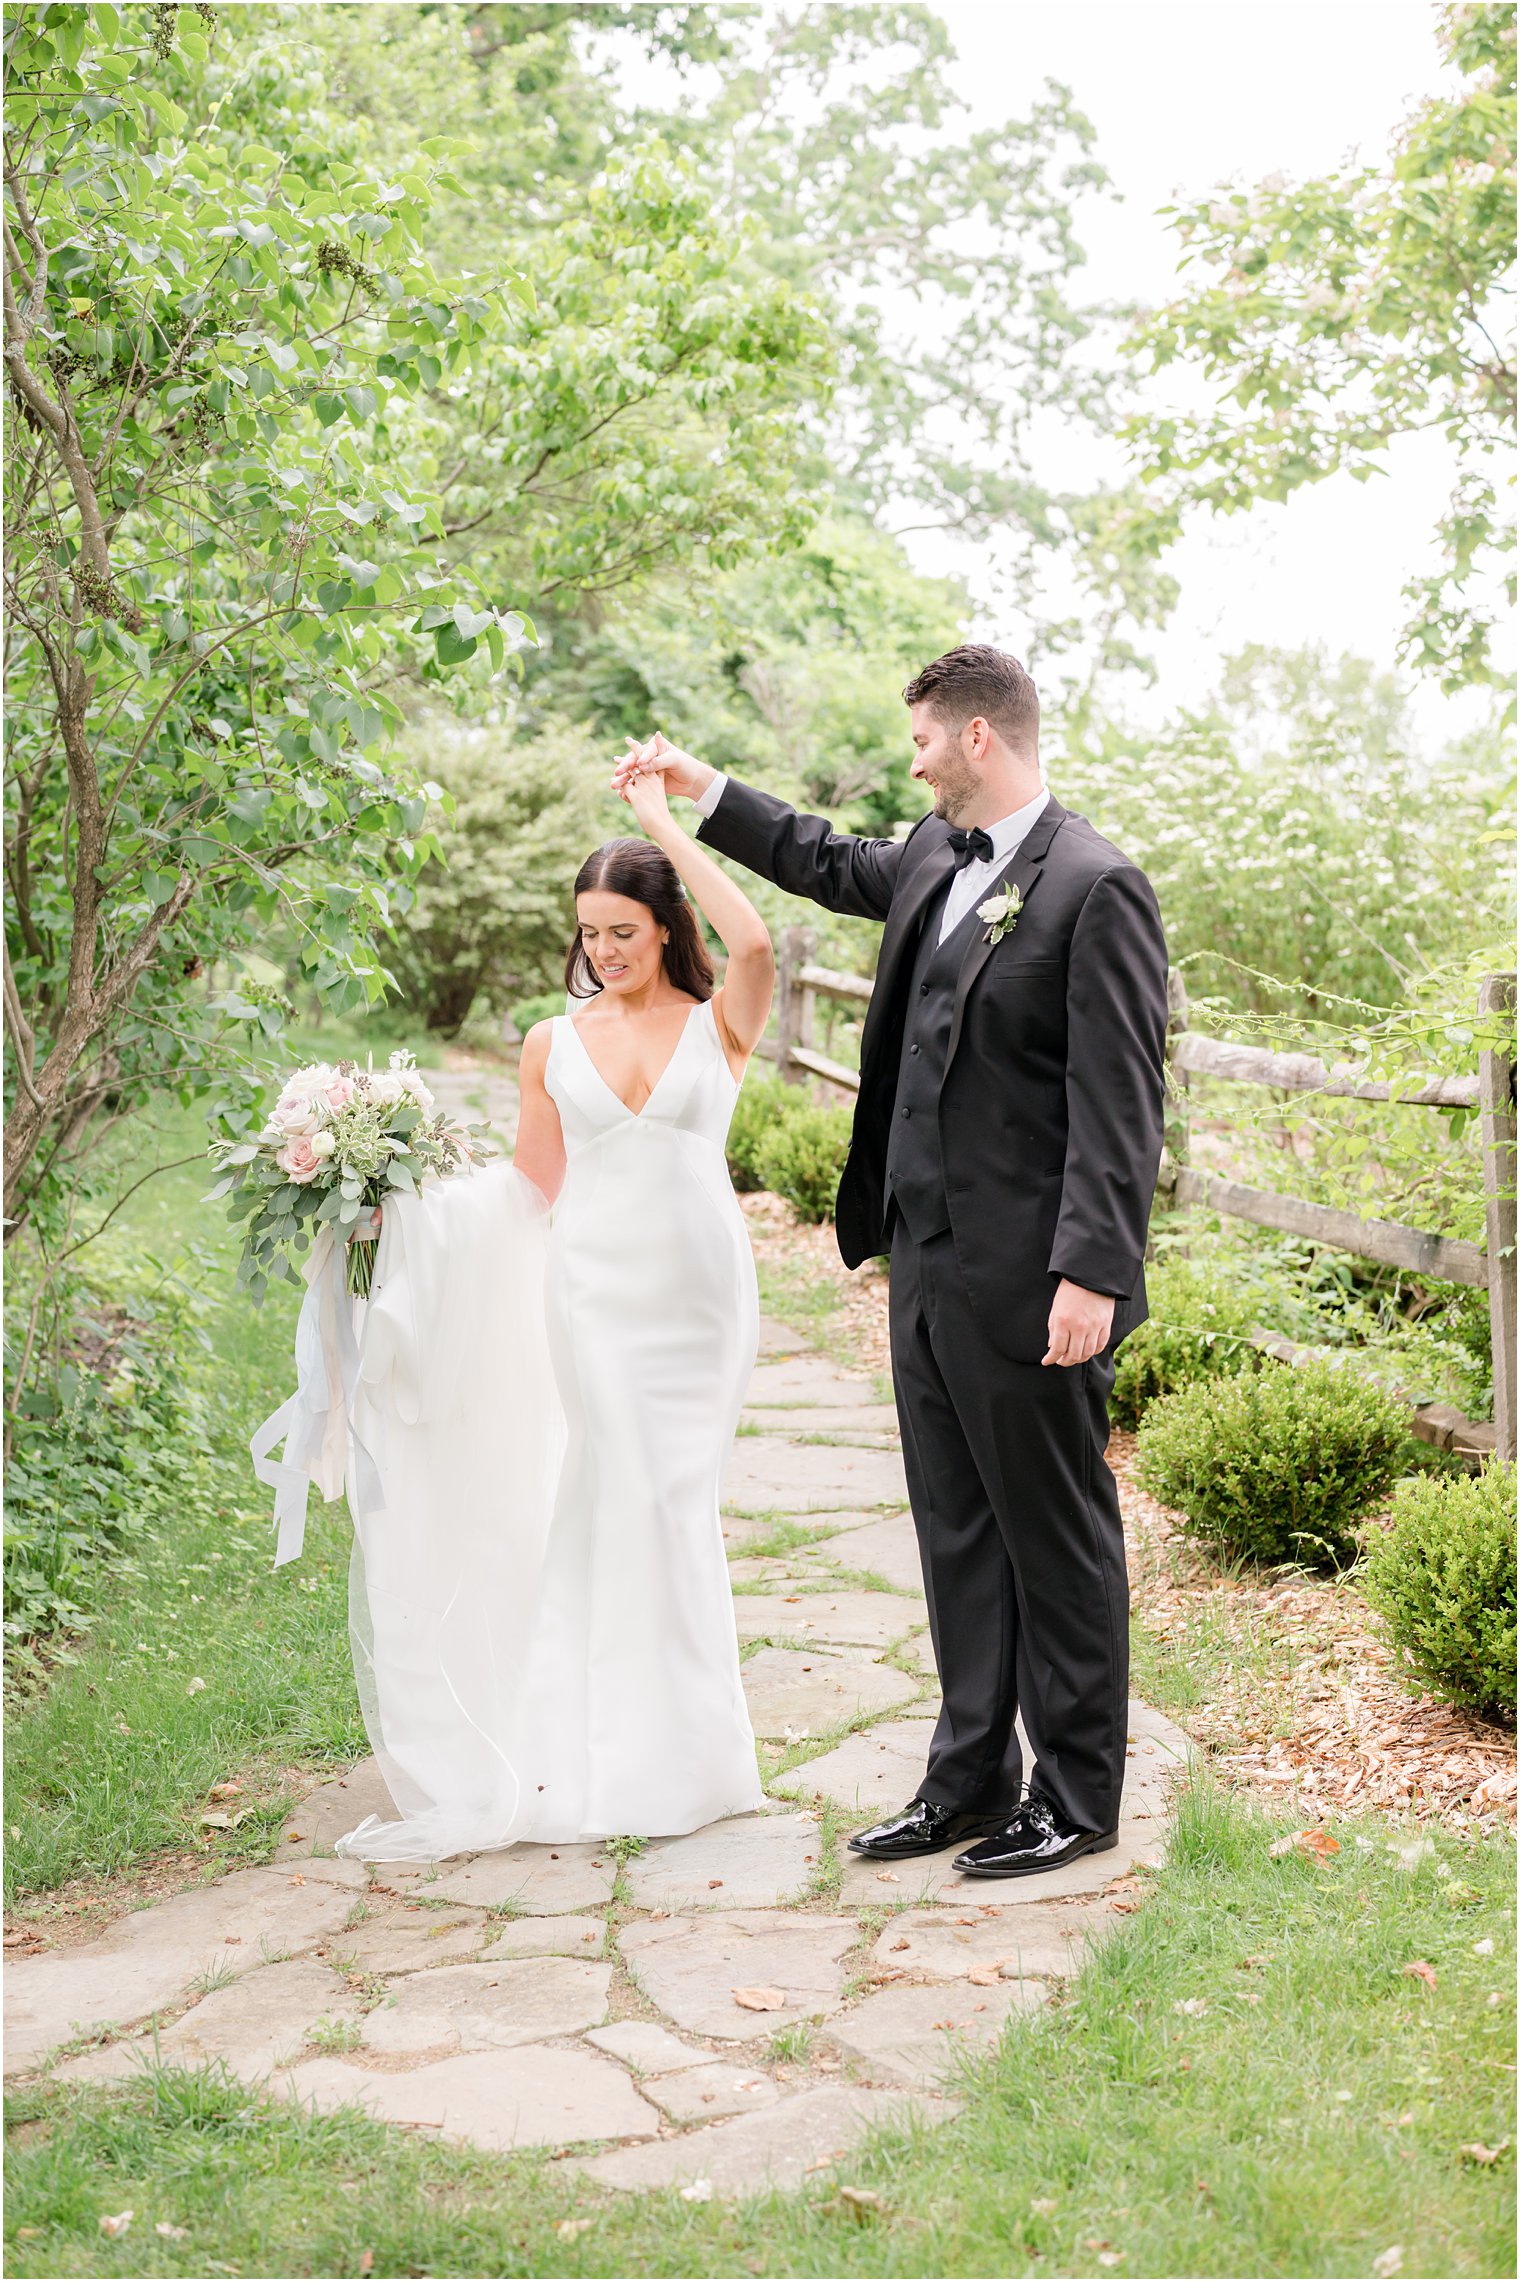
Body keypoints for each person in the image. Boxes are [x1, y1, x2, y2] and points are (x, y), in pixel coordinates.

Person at [614, 644, 1169, 1879]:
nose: (910, 759)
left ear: (978, 738)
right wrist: (703, 787)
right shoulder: (931, 850)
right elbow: (819, 856)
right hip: (922, 1261)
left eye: (921, 739)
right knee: (956, 1530)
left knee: (1056, 1532)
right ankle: (970, 1779)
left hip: (1033, 1279)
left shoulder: (1093, 885)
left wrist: (1092, 1270)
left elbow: (1120, 1100)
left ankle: (1077, 1796)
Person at [266, 767, 775, 1862]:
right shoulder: (552, 1039)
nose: (604, 950)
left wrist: (660, 823)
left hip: (694, 1300)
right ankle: (604, 1750)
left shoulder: (718, 1022)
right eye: (589, 932)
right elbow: (527, 1189)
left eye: (625, 929)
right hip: (589, 1294)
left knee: (676, 1501)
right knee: (612, 1489)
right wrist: (388, 1211)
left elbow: (757, 944)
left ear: (665, 923)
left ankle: (693, 1756)